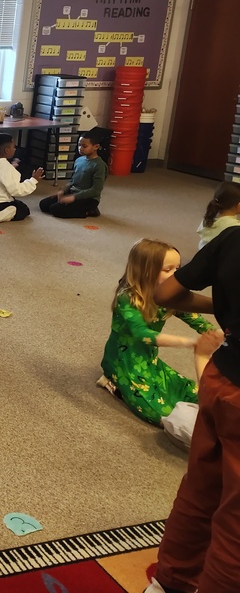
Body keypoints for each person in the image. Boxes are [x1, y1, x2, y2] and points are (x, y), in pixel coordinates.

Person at [144, 228, 240, 593]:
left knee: (201, 491)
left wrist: (228, 304)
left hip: (221, 377)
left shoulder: (232, 238)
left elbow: (167, 293)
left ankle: (168, 583)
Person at [98, 239, 222, 426]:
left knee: (192, 393)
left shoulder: (170, 295)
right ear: (145, 270)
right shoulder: (127, 297)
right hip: (124, 363)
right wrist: (189, 343)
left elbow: (193, 317)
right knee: (163, 415)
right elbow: (142, 334)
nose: (175, 275)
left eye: (178, 269)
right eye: (168, 270)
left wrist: (214, 333)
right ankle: (112, 382)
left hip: (149, 360)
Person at [38, 130, 108, 219]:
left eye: (84, 146)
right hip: (74, 193)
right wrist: (63, 191)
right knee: (43, 205)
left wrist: (74, 197)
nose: (80, 148)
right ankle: (76, 206)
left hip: (88, 199)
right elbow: (73, 181)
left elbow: (96, 190)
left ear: (96, 147)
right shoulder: (79, 160)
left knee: (55, 209)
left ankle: (89, 211)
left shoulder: (99, 165)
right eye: (79, 145)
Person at [0, 133, 44, 223]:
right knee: (23, 209)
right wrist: (34, 180)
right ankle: (3, 214)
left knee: (17, 203)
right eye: (13, 147)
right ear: (7, 150)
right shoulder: (7, 169)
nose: (15, 149)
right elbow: (16, 190)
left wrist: (10, 167)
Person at [196, 181, 240, 249]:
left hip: (203, 250)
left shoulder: (211, 213)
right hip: (218, 255)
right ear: (238, 205)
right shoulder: (234, 227)